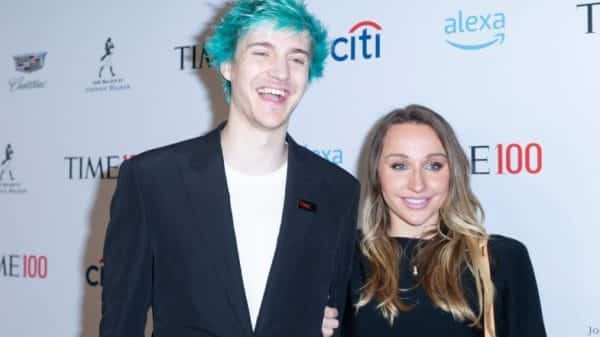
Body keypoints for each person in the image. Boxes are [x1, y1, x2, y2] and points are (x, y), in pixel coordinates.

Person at [99, 1, 359, 337]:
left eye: (297, 59)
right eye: (261, 53)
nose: (280, 72)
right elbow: (121, 324)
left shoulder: (337, 191)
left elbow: (333, 317)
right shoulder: (153, 180)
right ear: (227, 65)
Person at [322, 105, 547, 337]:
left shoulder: (501, 259)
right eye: (399, 166)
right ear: (376, 173)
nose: (418, 184)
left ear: (453, 173)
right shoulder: (340, 257)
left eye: (433, 166)